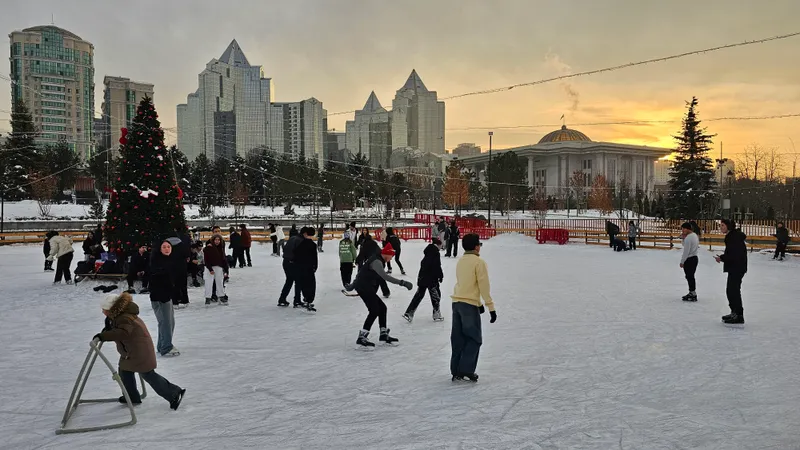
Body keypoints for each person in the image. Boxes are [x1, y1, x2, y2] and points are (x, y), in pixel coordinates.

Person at [94, 292, 185, 410]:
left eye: (104, 309)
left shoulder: (124, 317)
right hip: (132, 351)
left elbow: (123, 332)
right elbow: (116, 328)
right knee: (124, 371)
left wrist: (103, 336)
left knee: (148, 374)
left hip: (139, 351)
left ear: (112, 309)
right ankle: (132, 396)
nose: (103, 312)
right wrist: (107, 330)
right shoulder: (120, 315)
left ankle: (174, 393)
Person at [450, 233, 496, 382]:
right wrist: (490, 307)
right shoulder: (478, 262)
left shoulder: (461, 261)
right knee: (474, 339)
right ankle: (466, 369)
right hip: (469, 305)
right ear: (476, 246)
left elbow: (465, 283)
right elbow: (483, 286)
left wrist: (480, 305)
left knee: (458, 338)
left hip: (457, 303)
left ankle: (456, 369)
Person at [349, 240, 412, 347]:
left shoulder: (379, 259)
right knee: (374, 310)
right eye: (391, 256)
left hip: (366, 287)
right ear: (387, 254)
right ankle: (362, 337)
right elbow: (385, 276)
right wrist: (402, 283)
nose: (391, 258)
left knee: (382, 308)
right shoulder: (377, 262)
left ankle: (383, 334)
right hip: (363, 287)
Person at [149, 240, 180, 356]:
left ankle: (162, 345)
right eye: (164, 247)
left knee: (170, 322)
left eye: (168, 247)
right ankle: (166, 347)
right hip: (159, 297)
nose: (167, 249)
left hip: (167, 296)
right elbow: (154, 279)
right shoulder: (156, 261)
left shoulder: (170, 260)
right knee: (165, 323)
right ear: (160, 249)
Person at [404, 237, 444, 322]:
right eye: (441, 246)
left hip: (423, 277)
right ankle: (436, 313)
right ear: (438, 245)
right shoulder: (435, 253)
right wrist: (440, 275)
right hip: (431, 278)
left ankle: (409, 312)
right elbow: (436, 266)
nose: (441, 248)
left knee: (419, 295)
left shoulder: (428, 251)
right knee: (436, 296)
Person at [715, 219, 747, 324]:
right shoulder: (732, 236)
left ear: (728, 226)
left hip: (737, 267)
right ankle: (734, 312)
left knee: (733, 291)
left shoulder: (733, 237)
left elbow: (735, 254)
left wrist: (723, 258)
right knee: (731, 290)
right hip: (736, 267)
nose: (721, 227)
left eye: (723, 225)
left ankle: (738, 315)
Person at [278, 227, 306, 307]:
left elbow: (285, 249)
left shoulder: (293, 238)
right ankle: (297, 301)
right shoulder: (300, 241)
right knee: (298, 281)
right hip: (293, 263)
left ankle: (282, 299)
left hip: (286, 262)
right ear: (305, 234)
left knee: (289, 281)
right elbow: (299, 254)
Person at [294, 227, 319, 311]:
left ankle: (306, 299)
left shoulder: (301, 244)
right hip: (310, 268)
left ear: (306, 234)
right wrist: (315, 266)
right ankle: (309, 300)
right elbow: (315, 257)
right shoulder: (313, 245)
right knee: (311, 285)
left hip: (301, 267)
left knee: (304, 284)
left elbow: (296, 255)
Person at [204, 234, 229, 306]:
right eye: (215, 240)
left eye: (218, 240)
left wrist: (226, 269)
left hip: (219, 267)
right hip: (209, 268)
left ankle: (221, 296)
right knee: (208, 283)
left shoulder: (221, 248)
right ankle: (207, 298)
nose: (217, 241)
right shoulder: (208, 248)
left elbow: (223, 259)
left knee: (220, 282)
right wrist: (210, 269)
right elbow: (206, 260)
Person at [679, 222, 700, 302]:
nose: (683, 230)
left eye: (684, 229)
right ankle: (692, 291)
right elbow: (685, 245)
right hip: (694, 258)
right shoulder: (694, 235)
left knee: (689, 276)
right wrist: (684, 238)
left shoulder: (689, 238)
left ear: (688, 229)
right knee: (690, 276)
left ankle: (692, 292)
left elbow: (686, 251)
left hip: (690, 259)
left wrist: (682, 261)